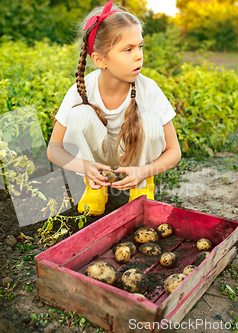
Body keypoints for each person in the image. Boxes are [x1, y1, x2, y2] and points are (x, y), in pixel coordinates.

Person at [47, 0, 181, 216]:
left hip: (136, 161)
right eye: (128, 49)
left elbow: (174, 151)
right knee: (79, 115)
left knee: (149, 121)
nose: (139, 55)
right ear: (100, 60)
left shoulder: (148, 89)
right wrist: (84, 167)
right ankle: (96, 187)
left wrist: (144, 171)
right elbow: (54, 150)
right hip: (98, 161)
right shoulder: (81, 90)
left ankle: (141, 188)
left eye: (140, 46)